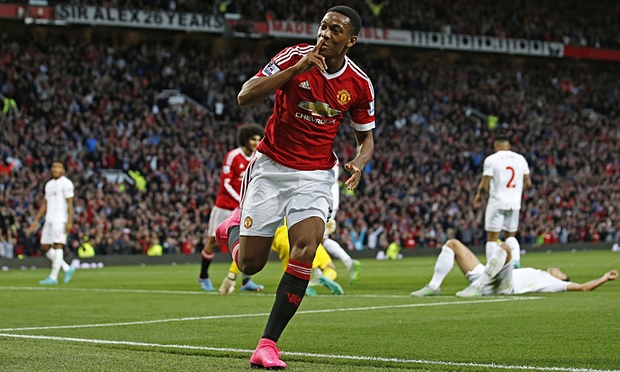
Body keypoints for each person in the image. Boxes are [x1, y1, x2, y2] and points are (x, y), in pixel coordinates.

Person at [216, 5, 375, 369]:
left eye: (336, 30)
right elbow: (245, 96)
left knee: (306, 247)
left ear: (350, 41)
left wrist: (359, 163)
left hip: (316, 174)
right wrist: (294, 70)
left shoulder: (359, 85)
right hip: (271, 167)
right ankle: (234, 226)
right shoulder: (292, 57)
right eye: (323, 27)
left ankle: (267, 344)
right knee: (249, 265)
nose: (326, 34)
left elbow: (367, 139)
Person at [410, 238, 618, 297]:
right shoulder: (540, 273)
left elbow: (582, 287)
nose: (557, 268)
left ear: (562, 278)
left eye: (561, 271)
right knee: (452, 243)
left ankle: (477, 287)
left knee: (506, 247)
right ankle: (433, 286)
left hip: (504, 285)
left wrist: (604, 278)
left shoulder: (553, 283)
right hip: (490, 277)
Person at [197, 123, 264, 291]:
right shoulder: (233, 156)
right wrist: (240, 200)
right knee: (213, 241)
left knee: (248, 242)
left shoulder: (259, 158)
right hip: (225, 206)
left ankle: (246, 281)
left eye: (258, 139)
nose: (256, 142)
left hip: (245, 209)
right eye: (252, 139)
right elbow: (226, 183)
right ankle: (203, 276)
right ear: (245, 140)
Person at [219, 223, 344, 296]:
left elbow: (245, 253)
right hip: (302, 237)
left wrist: (231, 275)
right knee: (329, 267)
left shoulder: (268, 216)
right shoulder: (292, 205)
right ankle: (325, 278)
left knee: (293, 277)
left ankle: (303, 287)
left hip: (282, 242)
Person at [474, 134, 531, 268]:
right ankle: (515, 262)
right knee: (510, 236)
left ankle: (492, 268)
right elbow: (528, 183)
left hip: (497, 202)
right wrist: (516, 192)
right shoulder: (520, 159)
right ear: (509, 146)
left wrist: (479, 195)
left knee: (492, 239)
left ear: (496, 146)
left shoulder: (491, 159)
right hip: (514, 203)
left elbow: (484, 184)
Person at [27, 160, 76, 285]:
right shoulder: (48, 185)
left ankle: (53, 277)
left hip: (60, 219)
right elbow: (45, 204)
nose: (55, 169)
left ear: (63, 170)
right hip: (49, 218)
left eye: (58, 167)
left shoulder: (67, 183)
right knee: (45, 246)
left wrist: (70, 221)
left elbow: (70, 204)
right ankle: (66, 268)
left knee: (58, 244)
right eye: (54, 166)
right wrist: (36, 220)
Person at [320, 162, 362, 284]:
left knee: (312, 238)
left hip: (324, 200)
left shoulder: (323, 152)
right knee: (320, 238)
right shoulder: (331, 154)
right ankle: (348, 262)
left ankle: (318, 275)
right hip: (331, 200)